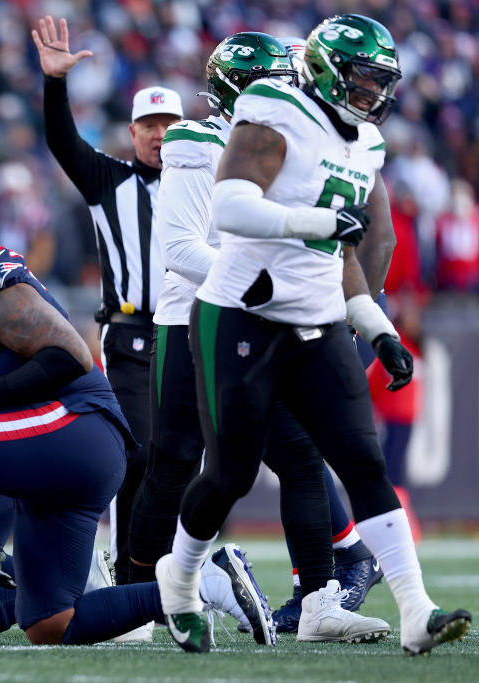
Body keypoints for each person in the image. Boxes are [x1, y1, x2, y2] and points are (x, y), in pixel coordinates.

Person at [154, 15, 471, 655]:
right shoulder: (276, 110)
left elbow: (343, 253)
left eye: (381, 81)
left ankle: (416, 609)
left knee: (364, 461)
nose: (372, 92)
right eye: (362, 77)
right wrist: (319, 219)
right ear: (327, 68)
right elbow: (231, 207)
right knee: (230, 475)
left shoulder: (365, 143)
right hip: (239, 314)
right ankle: (179, 576)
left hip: (317, 318)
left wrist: (376, 327)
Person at [0, 185, 273, 650]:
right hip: (50, 456)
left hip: (78, 427)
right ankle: (200, 585)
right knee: (50, 624)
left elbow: (72, 354)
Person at [132, 32, 388, 642]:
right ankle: (136, 601)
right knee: (171, 462)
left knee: (300, 458)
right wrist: (256, 282)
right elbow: (179, 250)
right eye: (268, 81)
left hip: (262, 320)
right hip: (195, 316)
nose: (284, 91)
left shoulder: (292, 136)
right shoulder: (200, 140)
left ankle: (320, 602)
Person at [34, 16, 181, 599]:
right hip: (131, 337)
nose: (159, 134)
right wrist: (54, 85)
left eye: (168, 123)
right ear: (133, 131)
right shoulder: (109, 180)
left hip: (188, 334)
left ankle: (165, 576)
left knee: (180, 461)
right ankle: (129, 578)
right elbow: (62, 143)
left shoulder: (204, 184)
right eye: (149, 124)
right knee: (139, 454)